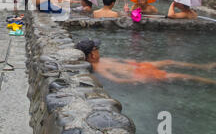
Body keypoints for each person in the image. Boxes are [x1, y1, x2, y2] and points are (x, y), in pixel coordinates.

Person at [76, 39, 216, 85]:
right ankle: (210, 81)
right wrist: (135, 80)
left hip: (137, 66)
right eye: (97, 48)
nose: (99, 50)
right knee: (175, 75)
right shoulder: (98, 67)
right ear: (92, 54)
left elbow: (119, 61)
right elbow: (115, 79)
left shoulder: (101, 59)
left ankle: (203, 66)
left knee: (169, 61)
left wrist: (129, 61)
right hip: (138, 73)